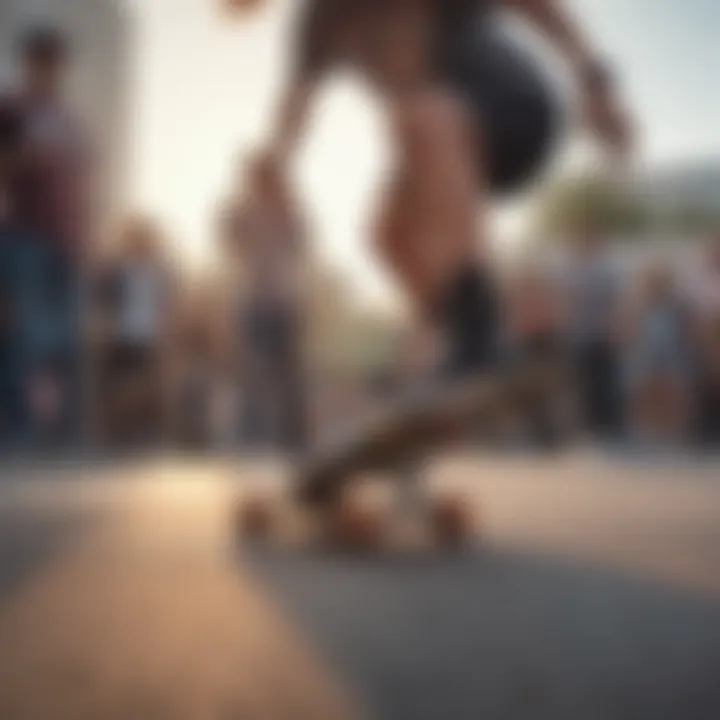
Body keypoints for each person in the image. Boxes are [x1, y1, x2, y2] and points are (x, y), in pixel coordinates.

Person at [233, 1, 631, 489]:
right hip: (438, 142)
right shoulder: (318, 22)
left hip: (518, 112)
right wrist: (274, 166)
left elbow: (540, 9)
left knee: (420, 115)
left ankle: (478, 333)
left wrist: (595, 84)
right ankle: (473, 348)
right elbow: (296, 106)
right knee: (386, 235)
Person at [0, 26, 93, 445]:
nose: (49, 69)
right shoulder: (13, 108)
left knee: (68, 336)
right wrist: (29, 156)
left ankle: (64, 431)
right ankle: (18, 425)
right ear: (29, 63)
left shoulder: (71, 117)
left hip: (69, 237)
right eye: (41, 60)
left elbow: (85, 179)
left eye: (55, 61)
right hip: (25, 233)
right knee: (27, 331)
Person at [221, 154, 310, 452]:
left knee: (287, 374)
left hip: (283, 301)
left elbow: (301, 244)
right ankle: (249, 437)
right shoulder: (246, 213)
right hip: (254, 301)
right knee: (252, 370)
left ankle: (293, 439)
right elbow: (229, 237)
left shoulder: (289, 211)